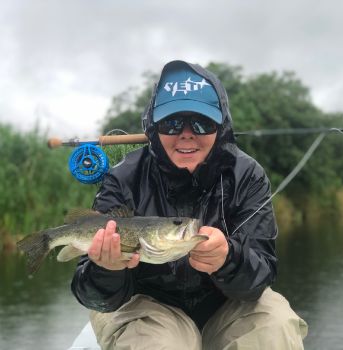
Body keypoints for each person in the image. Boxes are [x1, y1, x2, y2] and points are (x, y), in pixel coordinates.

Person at [71, 60, 308, 350]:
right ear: (153, 127)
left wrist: (228, 259)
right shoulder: (122, 179)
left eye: (201, 123)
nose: (186, 134)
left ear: (220, 127)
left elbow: (261, 274)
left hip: (228, 304)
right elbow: (95, 297)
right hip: (145, 304)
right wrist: (106, 269)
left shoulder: (247, 175)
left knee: (275, 325)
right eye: (171, 123)